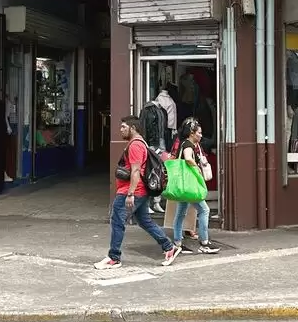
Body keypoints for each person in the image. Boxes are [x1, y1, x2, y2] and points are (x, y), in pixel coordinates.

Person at [94, 116, 182, 270]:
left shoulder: (135, 145)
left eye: (123, 127)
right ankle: (169, 247)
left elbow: (135, 171)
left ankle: (114, 257)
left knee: (117, 221)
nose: (120, 130)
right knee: (144, 220)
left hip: (132, 190)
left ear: (132, 128)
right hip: (139, 190)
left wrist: (130, 194)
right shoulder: (141, 143)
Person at [171, 118, 220, 254]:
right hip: (190, 185)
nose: (201, 135)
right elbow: (187, 158)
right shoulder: (188, 144)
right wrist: (196, 167)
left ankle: (177, 243)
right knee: (204, 210)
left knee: (180, 213)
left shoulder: (184, 143)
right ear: (192, 133)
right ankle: (204, 243)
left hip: (184, 185)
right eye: (199, 132)